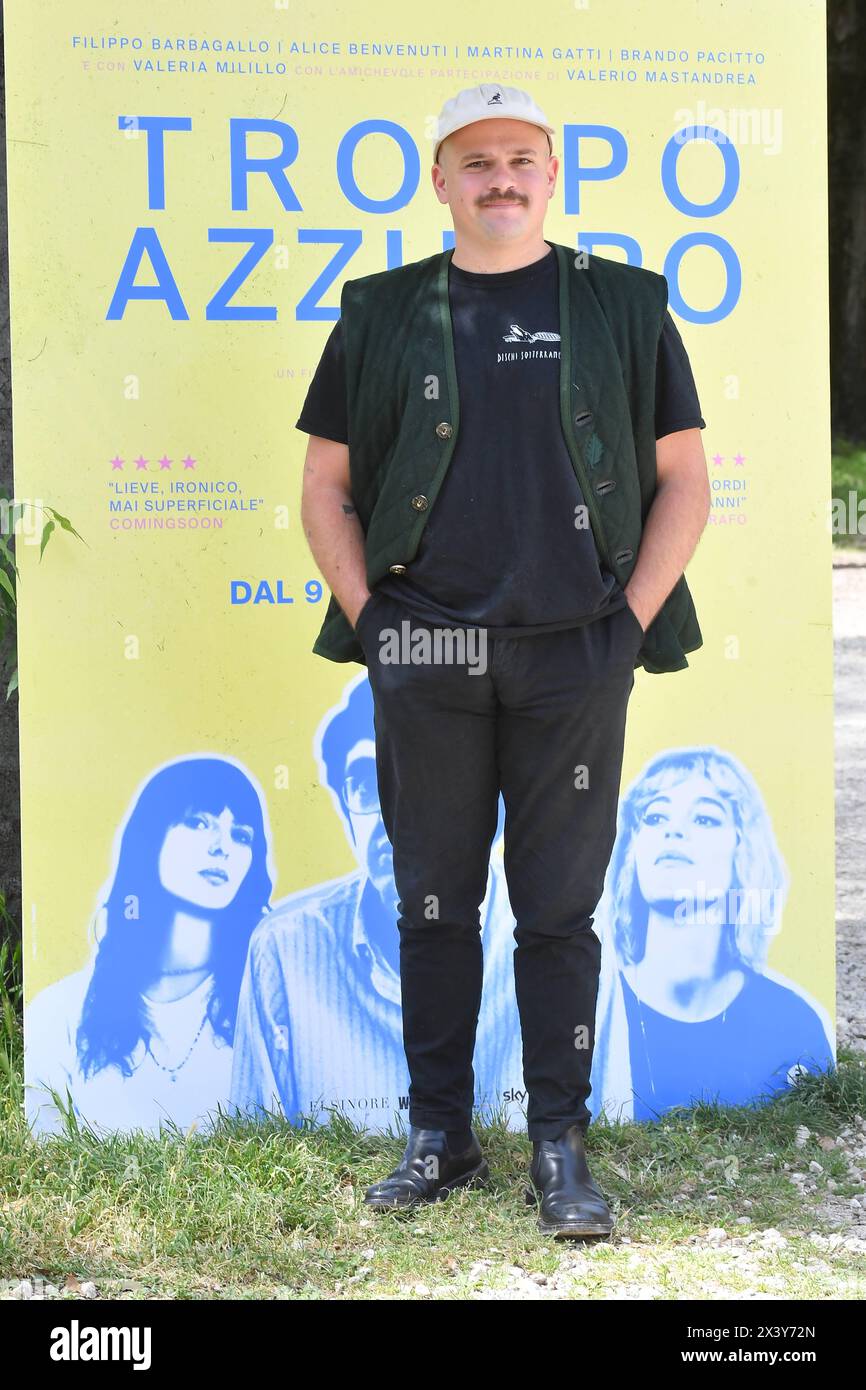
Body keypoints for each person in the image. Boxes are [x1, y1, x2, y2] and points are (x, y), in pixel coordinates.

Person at [296, 83, 710, 1238]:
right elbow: (324, 488)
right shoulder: (379, 312)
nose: (500, 178)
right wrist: (373, 618)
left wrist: (625, 622)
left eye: (521, 158)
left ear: (551, 174)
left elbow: (684, 477)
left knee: (558, 912)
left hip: (573, 648)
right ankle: (439, 1138)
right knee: (432, 902)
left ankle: (559, 1147)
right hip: (421, 643)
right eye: (474, 160)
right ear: (438, 180)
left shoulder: (620, 305)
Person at [229, 674, 525, 1136]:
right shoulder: (285, 950)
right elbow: (254, 1138)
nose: (399, 816)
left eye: (439, 775)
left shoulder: (552, 937)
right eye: (368, 786)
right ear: (345, 808)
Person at [24, 756, 274, 1137]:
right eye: (198, 822)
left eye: (241, 835)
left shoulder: (268, 1004)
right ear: (151, 836)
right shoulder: (59, 1013)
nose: (222, 847)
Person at [590, 747, 835, 1124]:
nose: (674, 830)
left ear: (743, 849)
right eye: (655, 815)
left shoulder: (795, 1023)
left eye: (704, 818)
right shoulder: (588, 1007)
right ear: (633, 847)